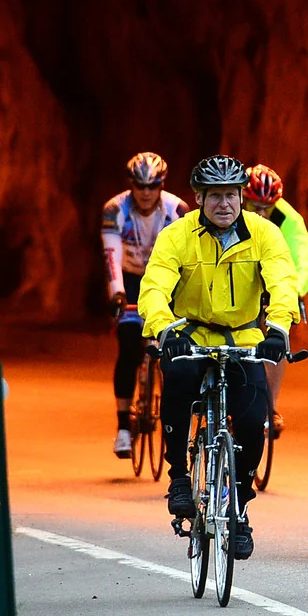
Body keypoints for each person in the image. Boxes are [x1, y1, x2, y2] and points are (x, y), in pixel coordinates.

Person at [140, 154, 301, 561]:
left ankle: (240, 507)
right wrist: (164, 329)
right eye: (215, 197)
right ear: (198, 198)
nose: (224, 204)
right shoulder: (176, 235)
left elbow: (283, 282)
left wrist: (278, 329)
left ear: (242, 197)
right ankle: (178, 476)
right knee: (177, 379)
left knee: (253, 421)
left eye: (231, 195)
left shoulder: (265, 234)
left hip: (243, 334)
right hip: (189, 331)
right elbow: (155, 284)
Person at [101, 151, 189, 458]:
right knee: (128, 346)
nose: (147, 193)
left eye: (153, 186)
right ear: (132, 186)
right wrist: (117, 294)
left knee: (174, 350)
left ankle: (174, 419)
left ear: (162, 185)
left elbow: (186, 257)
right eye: (140, 186)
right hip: (131, 279)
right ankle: (124, 426)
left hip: (165, 278)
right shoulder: (115, 209)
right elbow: (111, 255)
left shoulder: (177, 209)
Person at [243, 164, 308, 438]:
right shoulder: (229, 211)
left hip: (273, 282)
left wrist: (296, 291)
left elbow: (302, 257)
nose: (261, 212)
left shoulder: (288, 218)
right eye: (255, 205)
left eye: (267, 207)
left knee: (278, 335)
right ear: (243, 198)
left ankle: (270, 406)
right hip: (239, 281)